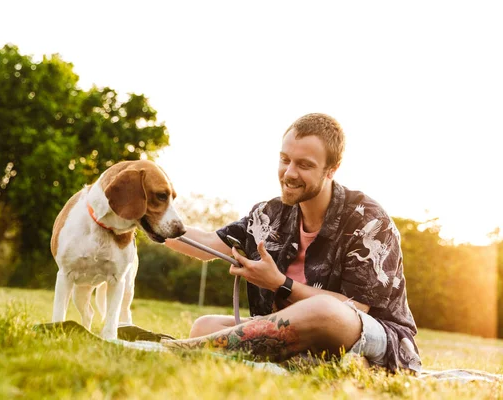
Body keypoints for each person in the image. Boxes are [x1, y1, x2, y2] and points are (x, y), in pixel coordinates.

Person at [163, 113, 421, 373]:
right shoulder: (268, 214)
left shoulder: (367, 218)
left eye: (304, 165)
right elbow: (207, 244)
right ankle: (310, 366)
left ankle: (187, 351)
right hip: (293, 331)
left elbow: (357, 307)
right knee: (205, 327)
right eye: (285, 160)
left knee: (326, 310)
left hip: (369, 335)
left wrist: (280, 284)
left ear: (332, 169)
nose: (289, 173)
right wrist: (150, 218)